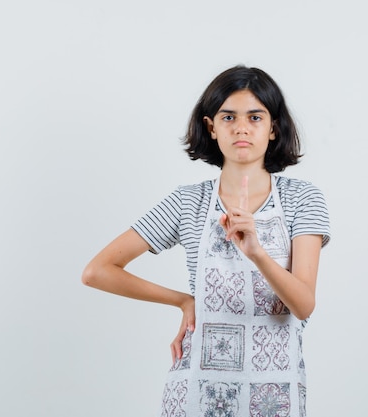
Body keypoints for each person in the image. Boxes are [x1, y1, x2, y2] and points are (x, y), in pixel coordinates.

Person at [82, 65, 330, 417]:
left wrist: (257, 253)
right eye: (228, 117)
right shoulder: (188, 202)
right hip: (196, 390)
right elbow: (97, 271)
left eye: (255, 117)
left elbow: (303, 305)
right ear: (211, 127)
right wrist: (184, 301)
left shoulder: (302, 200)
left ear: (274, 128)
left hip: (275, 395)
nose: (241, 127)